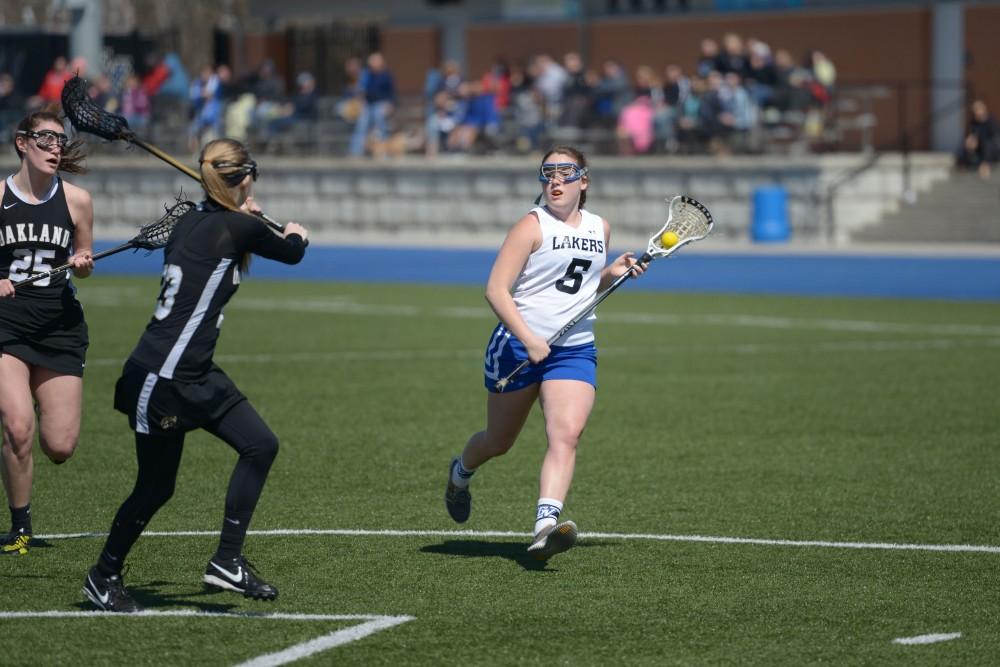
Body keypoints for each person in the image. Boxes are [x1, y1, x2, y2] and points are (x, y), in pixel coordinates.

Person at [82, 138, 309, 612]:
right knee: (155, 487)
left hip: (195, 372)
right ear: (242, 178)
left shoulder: (197, 220)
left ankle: (227, 561)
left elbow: (228, 233)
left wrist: (246, 215)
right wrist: (294, 231)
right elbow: (292, 252)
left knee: (260, 444)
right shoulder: (237, 227)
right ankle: (103, 576)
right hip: (162, 378)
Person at [445, 146, 646, 560]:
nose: (555, 180)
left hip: (573, 349)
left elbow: (583, 287)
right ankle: (460, 473)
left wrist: (612, 273)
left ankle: (544, 528)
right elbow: (496, 290)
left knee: (566, 434)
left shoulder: (599, 227)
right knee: (498, 442)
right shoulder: (530, 225)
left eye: (565, 172)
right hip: (518, 345)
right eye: (548, 173)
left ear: (583, 181)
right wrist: (531, 339)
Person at [0, 110, 95, 555]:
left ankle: (37, 393)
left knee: (59, 446)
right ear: (22, 143)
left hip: (59, 327)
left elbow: (84, 252)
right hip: (7, 327)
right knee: (19, 427)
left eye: (60, 140)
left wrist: (84, 261)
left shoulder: (77, 200)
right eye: (45, 139)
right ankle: (20, 527)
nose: (56, 147)